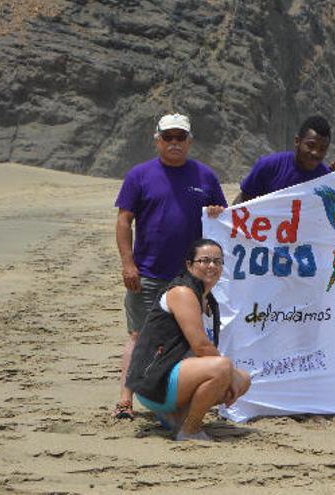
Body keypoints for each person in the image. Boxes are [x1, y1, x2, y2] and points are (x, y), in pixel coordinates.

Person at [114, 113, 227, 420]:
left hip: (191, 278)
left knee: (188, 338)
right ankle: (126, 400)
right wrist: (128, 264)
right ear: (157, 141)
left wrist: (217, 211)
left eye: (181, 138)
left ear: (190, 141)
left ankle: (176, 396)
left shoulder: (206, 177)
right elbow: (124, 221)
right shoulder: (139, 175)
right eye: (168, 138)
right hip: (148, 274)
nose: (174, 143)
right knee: (140, 336)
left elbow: (223, 219)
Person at [126, 239, 251, 441]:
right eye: (204, 260)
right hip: (155, 380)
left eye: (218, 262)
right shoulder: (182, 292)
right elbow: (201, 346)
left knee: (244, 379)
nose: (212, 266)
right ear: (189, 265)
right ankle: (190, 429)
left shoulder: (209, 300)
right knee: (222, 368)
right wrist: (230, 373)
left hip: (178, 375)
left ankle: (177, 416)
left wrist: (234, 376)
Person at [234, 115, 335, 204]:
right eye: (310, 145)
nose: (315, 153)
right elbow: (241, 204)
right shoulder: (268, 166)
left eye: (322, 149)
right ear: (297, 141)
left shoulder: (325, 178)